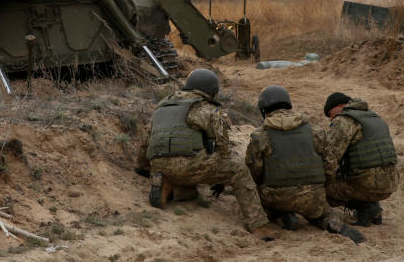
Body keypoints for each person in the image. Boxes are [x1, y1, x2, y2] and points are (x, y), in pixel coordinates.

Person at [136, 68, 275, 239]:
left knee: (187, 175)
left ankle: (170, 184)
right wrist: (221, 179)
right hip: (192, 166)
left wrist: (142, 167)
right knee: (239, 171)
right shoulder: (208, 109)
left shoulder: (162, 106)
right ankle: (258, 226)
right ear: (212, 91)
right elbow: (223, 148)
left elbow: (146, 141)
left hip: (159, 165)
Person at [245, 86, 364, 243]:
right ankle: (330, 222)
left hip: (277, 196)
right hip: (313, 196)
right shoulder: (314, 130)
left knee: (260, 197)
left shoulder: (260, 135)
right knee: (323, 212)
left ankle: (283, 216)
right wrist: (321, 188)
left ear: (264, 111)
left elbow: (254, 172)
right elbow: (330, 165)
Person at [323, 92, 400, 226]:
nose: (331, 119)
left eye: (330, 113)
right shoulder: (375, 117)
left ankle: (366, 208)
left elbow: (330, 157)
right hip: (390, 183)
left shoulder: (344, 120)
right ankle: (371, 207)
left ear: (341, 105)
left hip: (366, 184)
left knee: (323, 190)